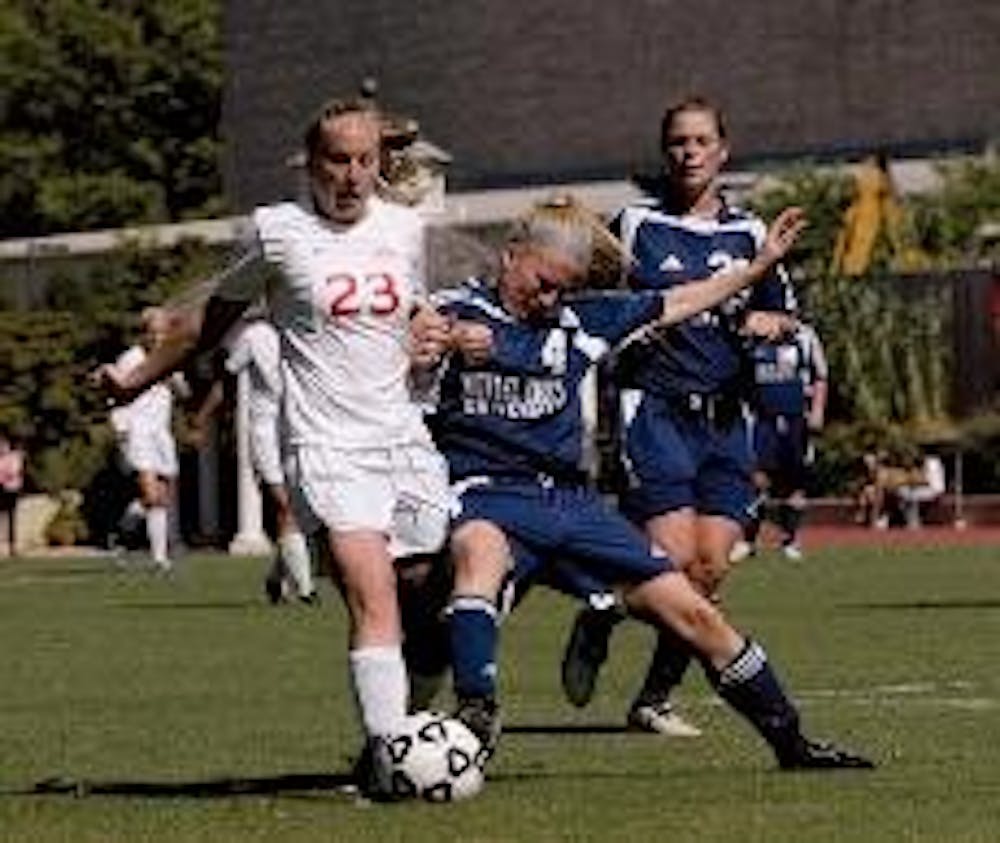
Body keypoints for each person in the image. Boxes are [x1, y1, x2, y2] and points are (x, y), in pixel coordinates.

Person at [423, 196, 870, 771]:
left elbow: (679, 300)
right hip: (486, 493)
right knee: (477, 558)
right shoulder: (458, 308)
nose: (550, 298)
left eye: (563, 288)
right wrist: (444, 338)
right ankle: (476, 713)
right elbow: (420, 326)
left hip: (571, 504)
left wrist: (757, 271)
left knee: (696, 612)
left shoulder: (582, 321)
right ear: (512, 256)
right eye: (541, 282)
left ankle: (793, 744)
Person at [92, 97, 453, 765]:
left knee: (429, 595)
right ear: (311, 163)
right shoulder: (277, 231)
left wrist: (433, 333)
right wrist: (138, 379)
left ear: (380, 164)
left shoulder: (405, 230)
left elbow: (417, 313)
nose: (350, 174)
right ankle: (385, 753)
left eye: (364, 160)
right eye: (336, 160)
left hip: (403, 435)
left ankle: (414, 723)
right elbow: (209, 321)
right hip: (325, 442)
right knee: (372, 592)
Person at [561, 96, 800, 737]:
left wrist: (767, 321)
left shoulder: (751, 235)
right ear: (664, 152)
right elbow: (588, 295)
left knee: (709, 571)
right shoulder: (636, 224)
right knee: (667, 565)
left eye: (700, 142)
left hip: (725, 419)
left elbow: (782, 314)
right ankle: (603, 608)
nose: (688, 153)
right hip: (655, 410)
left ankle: (652, 698)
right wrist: (623, 330)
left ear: (723, 150)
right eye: (677, 143)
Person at [188, 317, 318, 604]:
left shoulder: (310, 331)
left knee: (303, 512)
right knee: (286, 506)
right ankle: (307, 589)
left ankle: (277, 576)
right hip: (266, 431)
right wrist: (203, 417)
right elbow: (228, 378)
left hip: (303, 431)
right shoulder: (256, 334)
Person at [732, 320, 828, 561]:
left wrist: (817, 411)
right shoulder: (750, 333)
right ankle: (748, 539)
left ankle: (791, 540)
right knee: (757, 479)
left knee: (795, 481)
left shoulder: (804, 336)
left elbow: (820, 376)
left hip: (796, 418)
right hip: (762, 419)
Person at [105, 308, 183, 571]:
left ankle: (122, 535)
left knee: (158, 498)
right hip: (137, 431)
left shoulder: (171, 358)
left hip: (161, 432)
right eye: (156, 332)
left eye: (165, 332)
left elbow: (184, 391)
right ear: (145, 333)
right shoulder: (131, 358)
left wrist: (174, 379)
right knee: (151, 493)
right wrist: (121, 431)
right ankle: (160, 559)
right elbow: (115, 395)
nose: (160, 337)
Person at [891, 450, 946, 529]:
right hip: (930, 490)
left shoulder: (931, 464)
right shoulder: (930, 463)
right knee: (903, 493)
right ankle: (911, 519)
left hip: (933, 491)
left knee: (908, 495)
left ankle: (913, 522)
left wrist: (910, 481)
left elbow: (926, 481)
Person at [0, 434, 25, 556]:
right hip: (2, 488)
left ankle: (12, 546)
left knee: (11, 518)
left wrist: (4, 477)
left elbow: (13, 472)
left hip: (10, 489)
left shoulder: (14, 457)